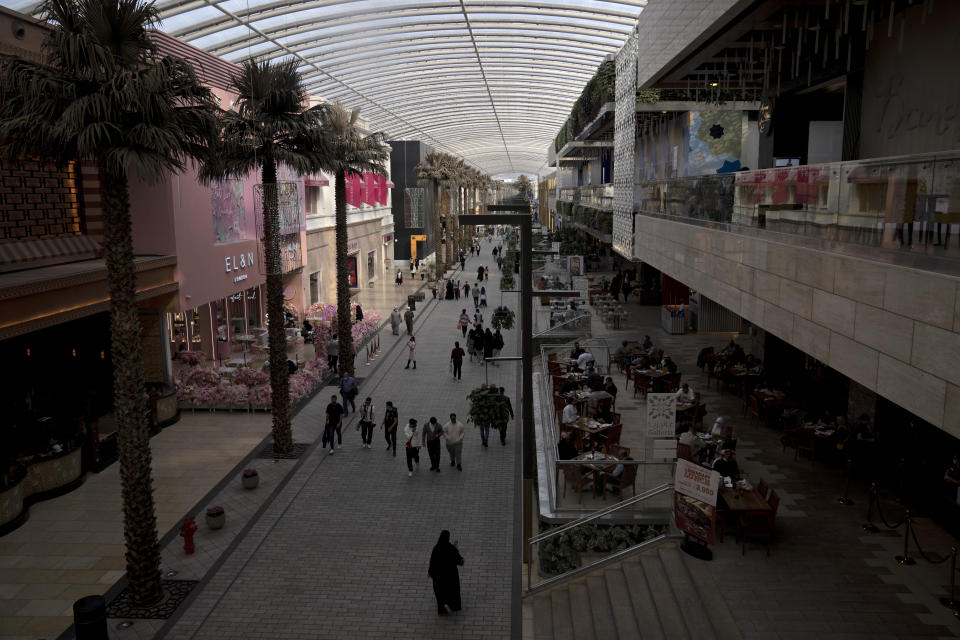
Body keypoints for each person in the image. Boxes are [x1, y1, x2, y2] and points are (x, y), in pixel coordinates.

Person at [428, 530, 464, 615]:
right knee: (451, 591)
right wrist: (456, 549)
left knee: (440, 593)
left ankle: (442, 609)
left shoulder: (436, 548)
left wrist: (431, 573)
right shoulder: (451, 549)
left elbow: (432, 561)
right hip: (450, 576)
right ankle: (452, 606)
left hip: (438, 577)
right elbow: (460, 561)